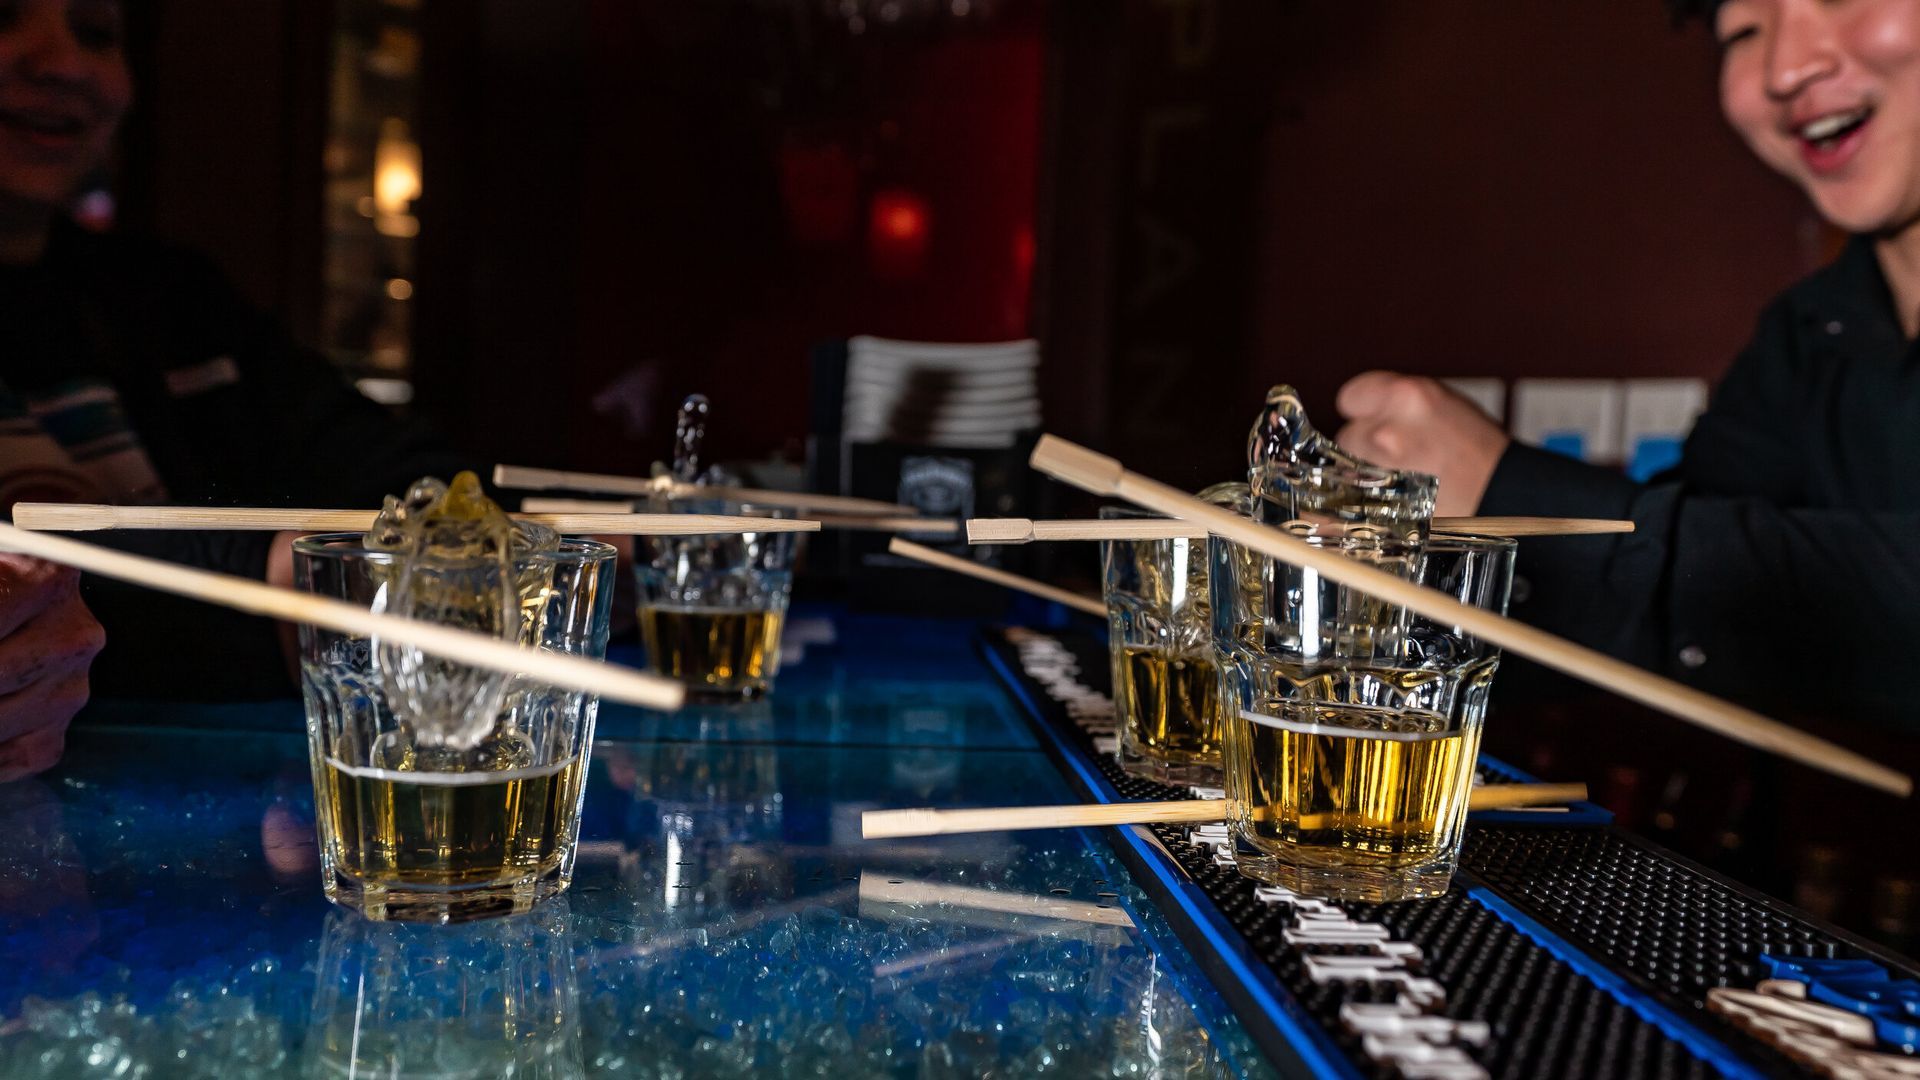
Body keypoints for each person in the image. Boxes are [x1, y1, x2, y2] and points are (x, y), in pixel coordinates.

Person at [1330, 0, 1920, 723]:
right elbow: (1671, 620)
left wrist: (1509, 497)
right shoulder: (1814, 330)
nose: (1786, 68)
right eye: (1742, 30)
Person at [0, 0, 474, 773]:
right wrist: (279, 578)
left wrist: (511, 542)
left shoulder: (169, 297)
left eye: (97, 33)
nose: (63, 65)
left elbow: (407, 476)